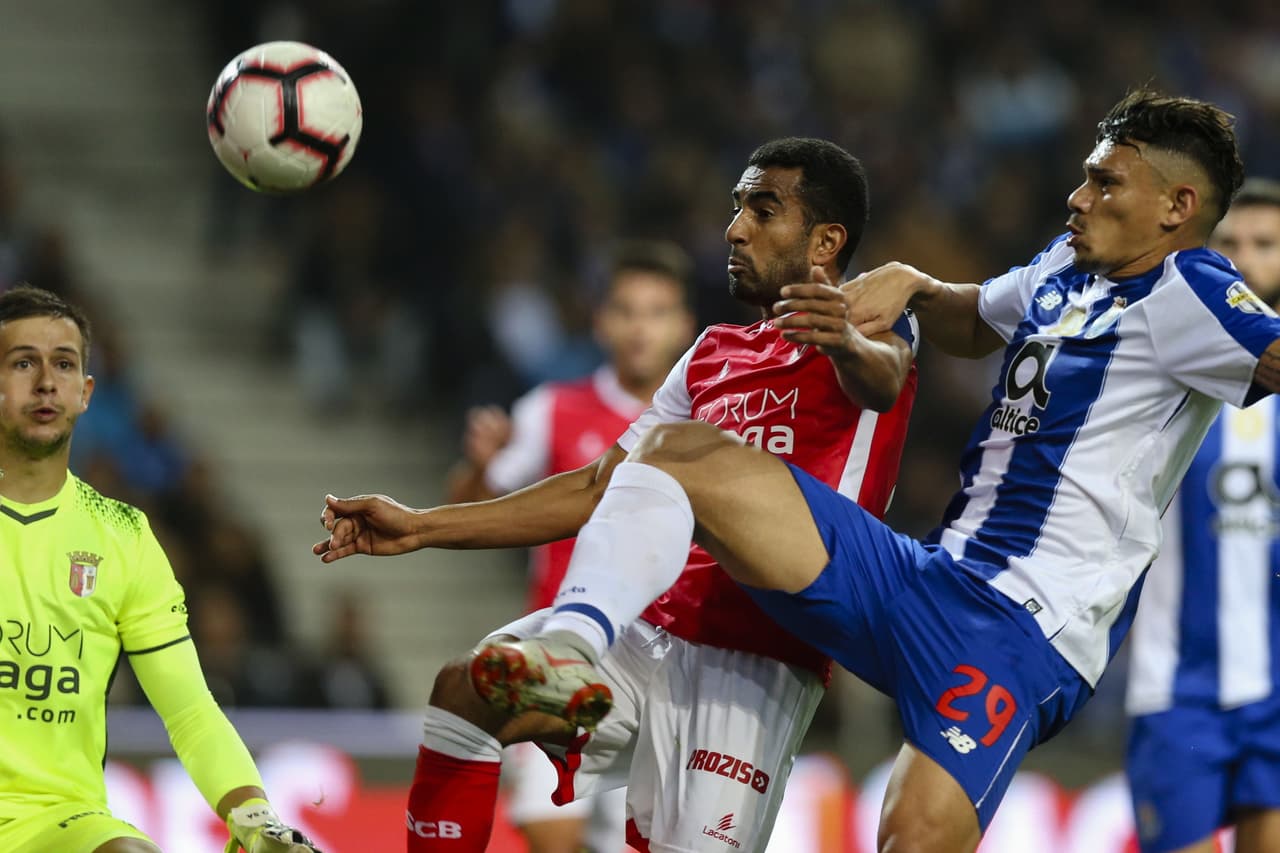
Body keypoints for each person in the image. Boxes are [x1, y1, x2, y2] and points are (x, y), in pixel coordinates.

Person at [431, 88, 1271, 853]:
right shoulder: (1067, 266)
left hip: (1023, 632)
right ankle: (579, 641)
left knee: (911, 837)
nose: (1078, 198)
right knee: (678, 451)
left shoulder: (1194, 290)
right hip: (930, 574)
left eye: (1105, 184)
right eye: (1085, 179)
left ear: (1177, 207)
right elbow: (974, 323)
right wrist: (912, 281)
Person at [314, 137, 921, 852]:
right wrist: (421, 525)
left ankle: (574, 642)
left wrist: (848, 338)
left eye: (762, 209)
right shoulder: (711, 354)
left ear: (825, 241)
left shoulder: (873, 325)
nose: (734, 229)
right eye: (735, 208)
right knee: (466, 688)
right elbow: (603, 482)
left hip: (759, 654)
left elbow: (884, 376)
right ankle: (571, 644)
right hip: (652, 629)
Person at [0, 284, 319, 853]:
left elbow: (191, 712)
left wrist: (254, 816)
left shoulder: (124, 536)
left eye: (64, 365)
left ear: (86, 393)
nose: (46, 381)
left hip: (57, 823)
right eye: (23, 362)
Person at [446, 240, 696, 853]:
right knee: (549, 828)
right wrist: (478, 470)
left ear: (685, 326)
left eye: (657, 312)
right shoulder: (552, 409)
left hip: (668, 676)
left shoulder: (706, 426)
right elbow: (478, 508)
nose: (641, 328)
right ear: (602, 320)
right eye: (627, 311)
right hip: (565, 664)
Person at [1125, 178, 1280, 853]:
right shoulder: (1165, 372)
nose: (1245, 257)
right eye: (1229, 243)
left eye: (1265, 243)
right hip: (1174, 690)